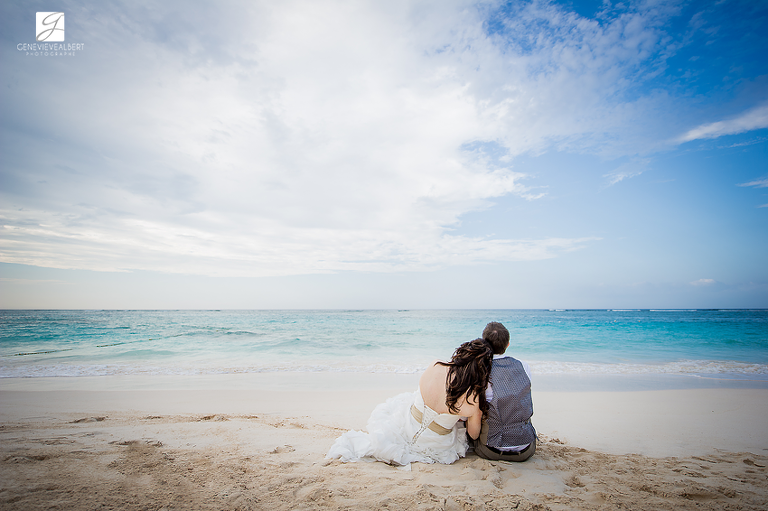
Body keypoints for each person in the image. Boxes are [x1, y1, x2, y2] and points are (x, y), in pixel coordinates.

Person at [326, 338, 493, 466]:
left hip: (407, 424)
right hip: (436, 445)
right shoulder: (472, 399)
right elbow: (473, 434)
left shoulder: (435, 366)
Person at [471, 321, 537, 462]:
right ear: (508, 344)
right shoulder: (523, 366)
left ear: (484, 343)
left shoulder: (481, 369)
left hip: (491, 450)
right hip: (526, 449)